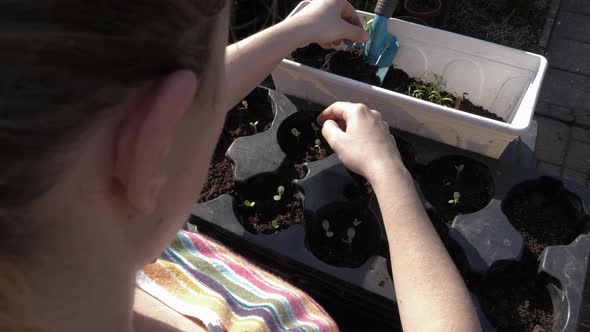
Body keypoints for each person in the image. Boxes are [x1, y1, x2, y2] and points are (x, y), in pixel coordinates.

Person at [0, 0, 481, 331]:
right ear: (146, 146)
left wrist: (295, 30)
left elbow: (158, 111)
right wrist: (389, 173)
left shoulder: (68, 248)